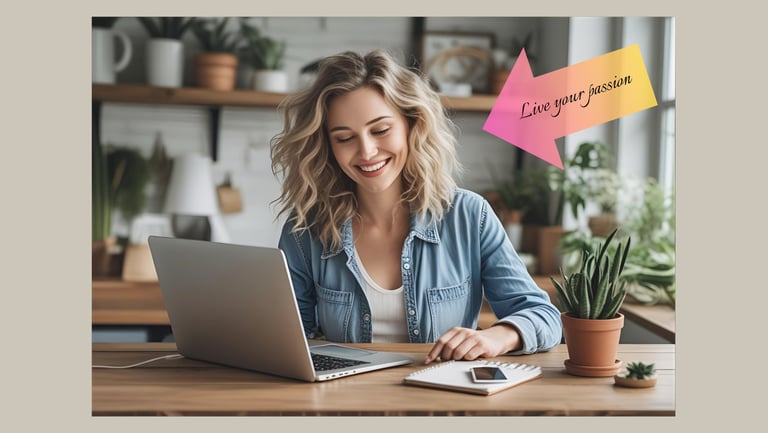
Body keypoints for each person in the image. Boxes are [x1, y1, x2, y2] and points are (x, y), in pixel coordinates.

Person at [270, 49, 562, 364]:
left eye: (380, 130)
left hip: (443, 401)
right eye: (344, 138)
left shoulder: (468, 216)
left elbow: (544, 316)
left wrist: (496, 336)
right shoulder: (304, 231)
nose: (366, 151)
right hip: (344, 402)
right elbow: (288, 339)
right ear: (327, 146)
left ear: (412, 125)